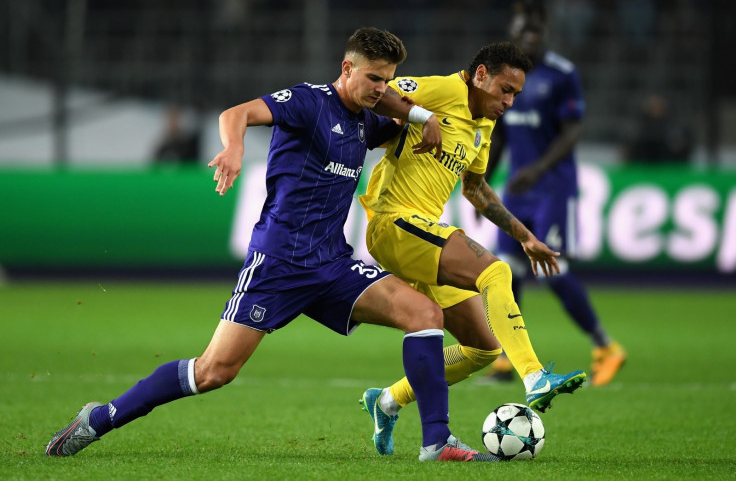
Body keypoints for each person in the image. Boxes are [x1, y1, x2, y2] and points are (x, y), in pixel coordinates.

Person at [45, 27, 500, 463]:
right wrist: (234, 148)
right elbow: (235, 114)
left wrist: (421, 116)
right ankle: (100, 417)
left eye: (387, 80)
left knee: (424, 314)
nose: (382, 88)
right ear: (346, 67)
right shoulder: (309, 102)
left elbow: (401, 112)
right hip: (278, 263)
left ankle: (436, 442)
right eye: (374, 78)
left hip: (332, 264)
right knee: (213, 372)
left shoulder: (367, 119)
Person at [357, 40, 586, 456]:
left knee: (483, 347)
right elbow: (375, 94)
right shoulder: (442, 90)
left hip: (423, 231)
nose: (509, 102)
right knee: (495, 272)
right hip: (394, 221)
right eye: (504, 89)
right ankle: (534, 377)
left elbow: (476, 188)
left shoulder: (484, 122)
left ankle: (387, 400)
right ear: (481, 74)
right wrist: (422, 116)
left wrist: (524, 236)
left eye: (516, 94)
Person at [481, 2, 626, 387]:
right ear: (512, 33)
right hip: (517, 190)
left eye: (535, 29)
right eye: (521, 29)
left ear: (544, 32)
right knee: (504, 272)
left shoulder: (562, 74)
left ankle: (606, 346)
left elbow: (572, 131)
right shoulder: (509, 78)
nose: (528, 35)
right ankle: (505, 360)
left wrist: (538, 170)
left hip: (552, 188)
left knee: (553, 273)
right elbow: (502, 136)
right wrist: (483, 186)